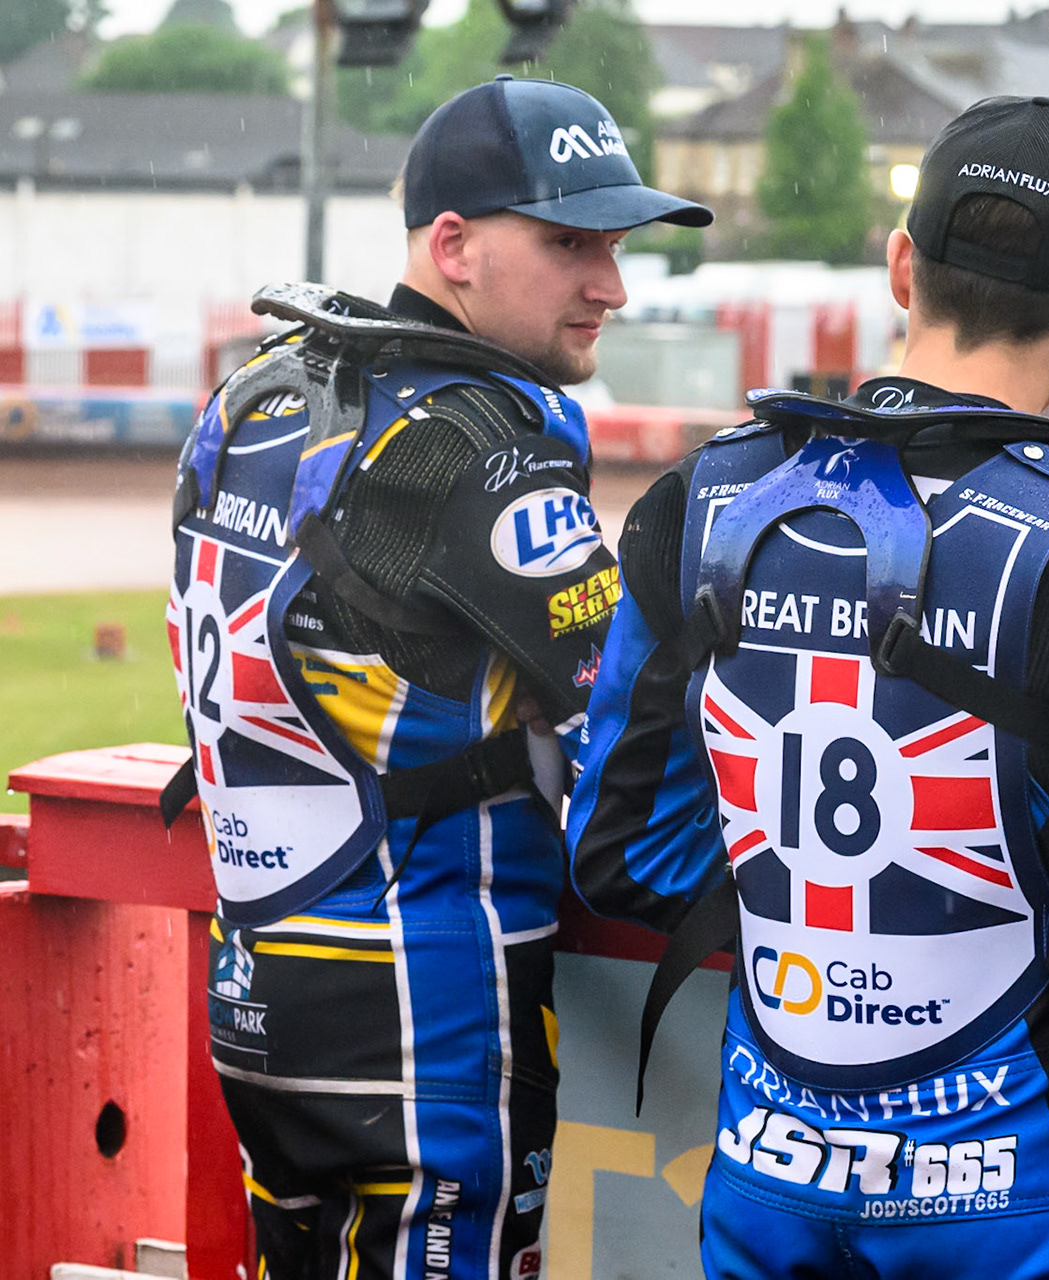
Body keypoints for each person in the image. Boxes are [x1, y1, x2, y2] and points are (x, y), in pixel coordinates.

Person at [568, 95, 1049, 1278]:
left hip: (765, 1175)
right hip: (1016, 1188)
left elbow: (618, 845)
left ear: (902, 266)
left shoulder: (699, 498)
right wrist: (1025, 955)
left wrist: (804, 931)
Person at [165, 76, 710, 1279]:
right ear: (452, 245)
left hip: (257, 992)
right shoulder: (480, 444)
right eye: (570, 245)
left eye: (615, 247)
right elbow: (632, 719)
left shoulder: (258, 390)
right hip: (427, 1029)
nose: (610, 286)